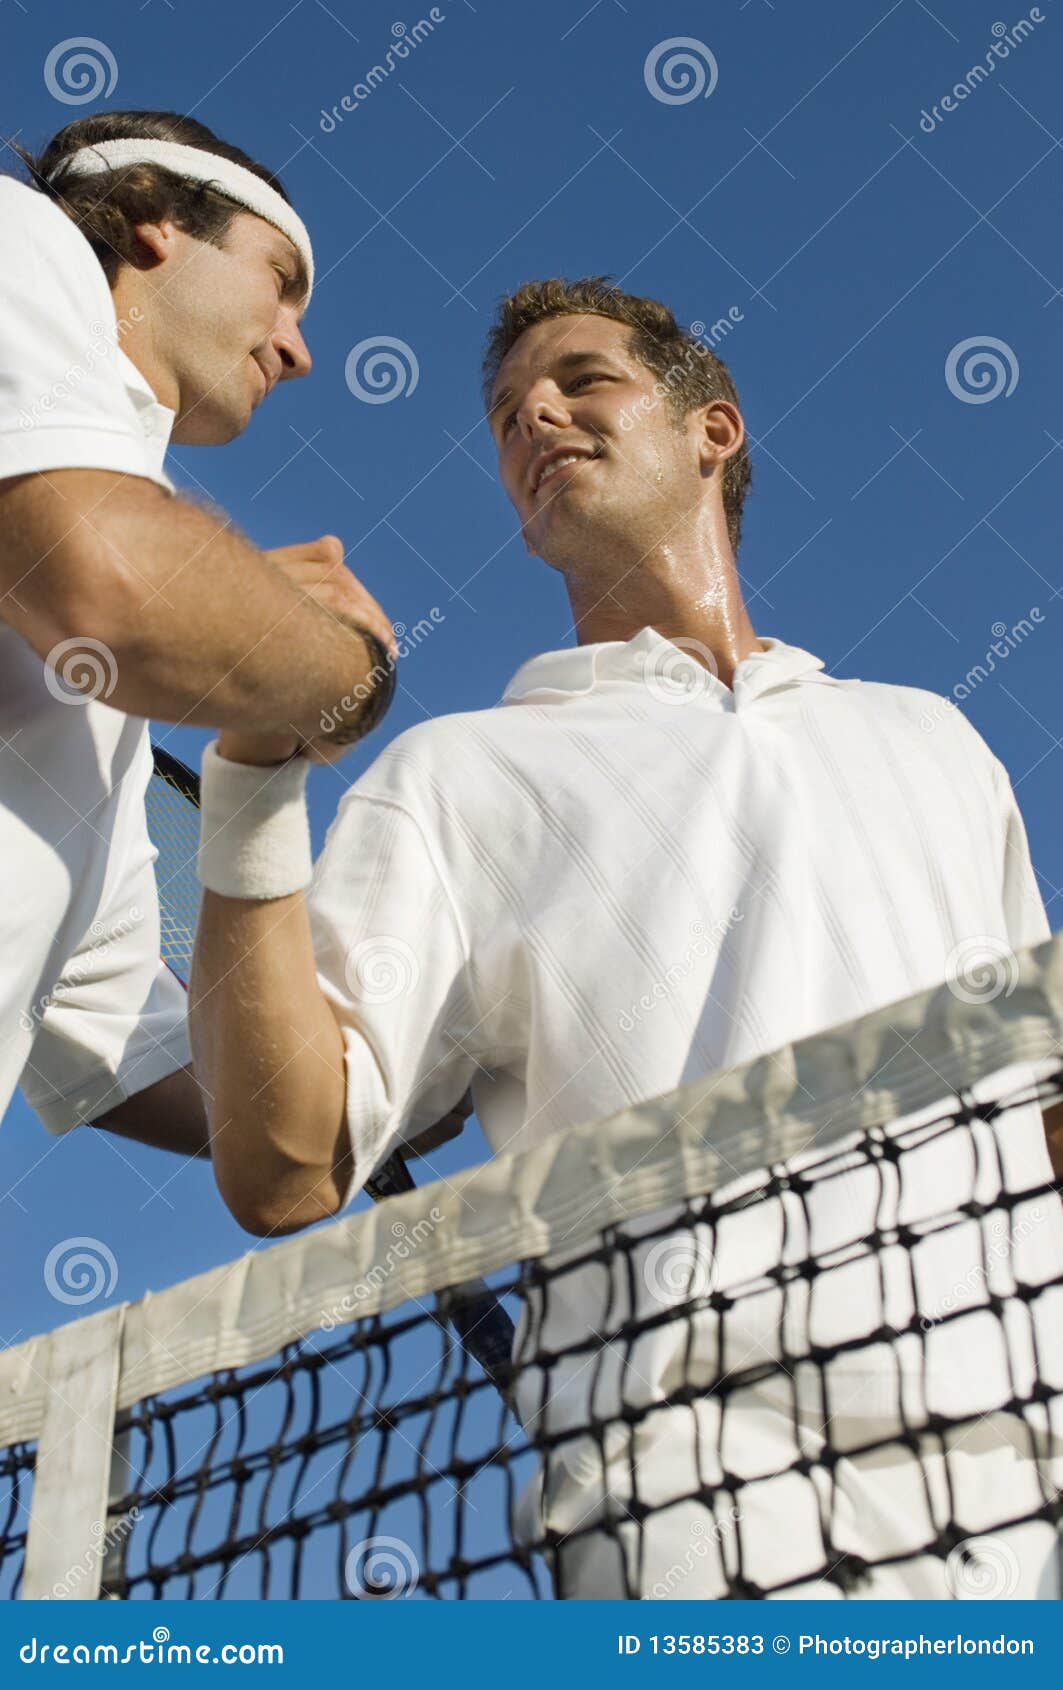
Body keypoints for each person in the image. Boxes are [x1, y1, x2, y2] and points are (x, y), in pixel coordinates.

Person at [186, 276, 1063, 1597]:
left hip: (1011, 1454)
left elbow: (1034, 1107)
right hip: (692, 1472)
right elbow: (286, 1162)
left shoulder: (934, 739)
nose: (532, 413)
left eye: (581, 379)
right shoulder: (456, 775)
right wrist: (254, 775)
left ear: (712, 429)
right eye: (502, 414)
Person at [0, 110, 395, 1159]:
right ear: (147, 222)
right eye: (280, 279)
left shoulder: (96, 735)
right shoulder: (16, 237)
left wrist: (403, 1076)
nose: (299, 350)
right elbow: (113, 589)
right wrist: (337, 666)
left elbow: (150, 1057)